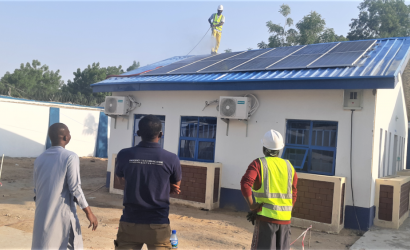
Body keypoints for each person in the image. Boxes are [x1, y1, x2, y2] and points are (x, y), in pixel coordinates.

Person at [114, 115, 182, 250]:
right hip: (158, 225)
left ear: (138, 133)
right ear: (161, 134)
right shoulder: (171, 158)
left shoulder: (124, 154)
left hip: (130, 223)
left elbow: (121, 182)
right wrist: (164, 186)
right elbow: (176, 187)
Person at [32, 123, 98, 250]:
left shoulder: (39, 159)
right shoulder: (70, 157)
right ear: (65, 137)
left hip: (42, 216)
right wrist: (89, 212)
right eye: (68, 133)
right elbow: (75, 188)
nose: (70, 135)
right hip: (62, 216)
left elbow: (36, 189)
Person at [241, 130, 298, 250]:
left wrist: (252, 206)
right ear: (279, 149)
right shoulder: (289, 166)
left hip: (266, 220)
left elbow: (245, 184)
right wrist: (285, 211)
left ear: (264, 148)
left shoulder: (258, 164)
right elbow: (294, 193)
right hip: (285, 221)